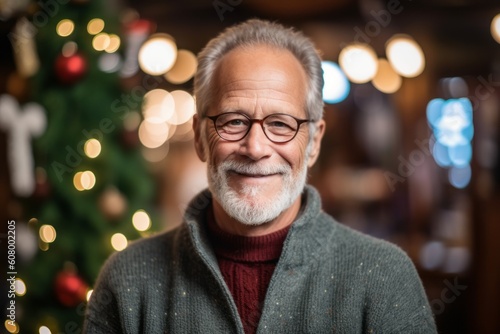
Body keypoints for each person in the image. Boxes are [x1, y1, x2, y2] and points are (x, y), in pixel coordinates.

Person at [84, 19, 437, 333]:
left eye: (281, 124)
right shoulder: (128, 280)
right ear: (199, 137)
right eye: (234, 121)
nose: (255, 148)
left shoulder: (385, 278)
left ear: (313, 143)